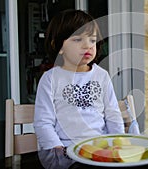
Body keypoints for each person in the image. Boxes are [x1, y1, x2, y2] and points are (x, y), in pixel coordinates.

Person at [33, 9, 125, 169]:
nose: (87, 46)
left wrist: (118, 144)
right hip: (64, 152)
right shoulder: (50, 78)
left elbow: (113, 115)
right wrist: (58, 148)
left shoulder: (102, 76)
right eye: (77, 39)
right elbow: (43, 122)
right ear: (59, 46)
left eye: (92, 40)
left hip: (99, 148)